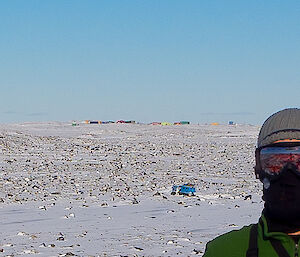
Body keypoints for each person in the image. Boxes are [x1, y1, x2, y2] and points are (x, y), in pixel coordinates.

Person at [203, 108, 300, 257]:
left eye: (299, 161)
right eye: (274, 161)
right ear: (258, 169)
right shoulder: (224, 251)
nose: (289, 174)